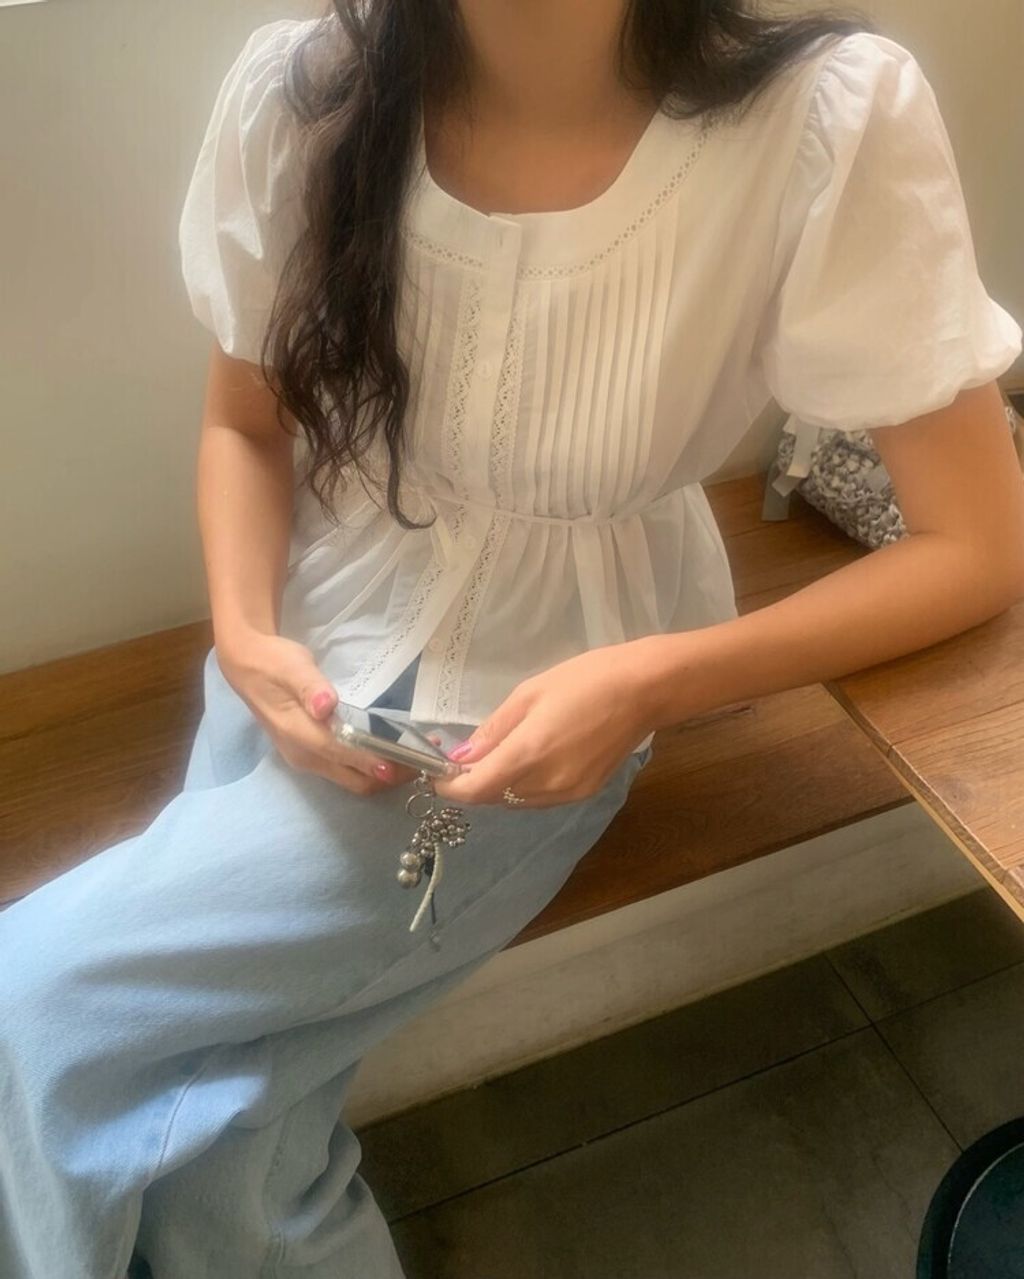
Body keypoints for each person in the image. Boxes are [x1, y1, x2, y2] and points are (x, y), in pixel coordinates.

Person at [2, 2, 1023, 1276]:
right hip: (300, 646)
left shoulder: (821, 118)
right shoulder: (306, 87)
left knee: (34, 1009)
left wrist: (648, 681)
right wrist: (244, 630)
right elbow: (244, 422)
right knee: (233, 1130)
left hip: (540, 713)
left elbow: (976, 548)